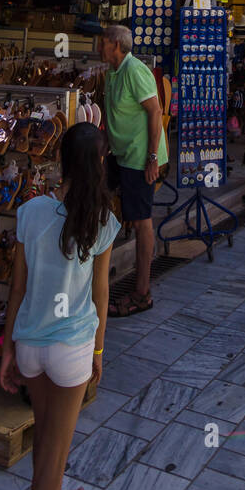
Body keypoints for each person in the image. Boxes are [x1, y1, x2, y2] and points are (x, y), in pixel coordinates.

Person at [0, 124, 121, 490]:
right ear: (100, 164)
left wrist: (10, 350)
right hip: (71, 351)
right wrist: (99, 352)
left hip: (31, 346)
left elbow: (17, 290)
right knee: (51, 467)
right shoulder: (104, 223)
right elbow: (100, 296)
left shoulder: (31, 212)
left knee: (46, 452)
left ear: (61, 162)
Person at [100, 25, 168, 316]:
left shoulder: (135, 70)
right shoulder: (112, 72)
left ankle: (142, 293)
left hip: (140, 158)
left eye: (103, 42)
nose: (99, 47)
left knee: (142, 223)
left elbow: (155, 111)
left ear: (116, 45)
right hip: (119, 155)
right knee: (103, 206)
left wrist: (152, 158)